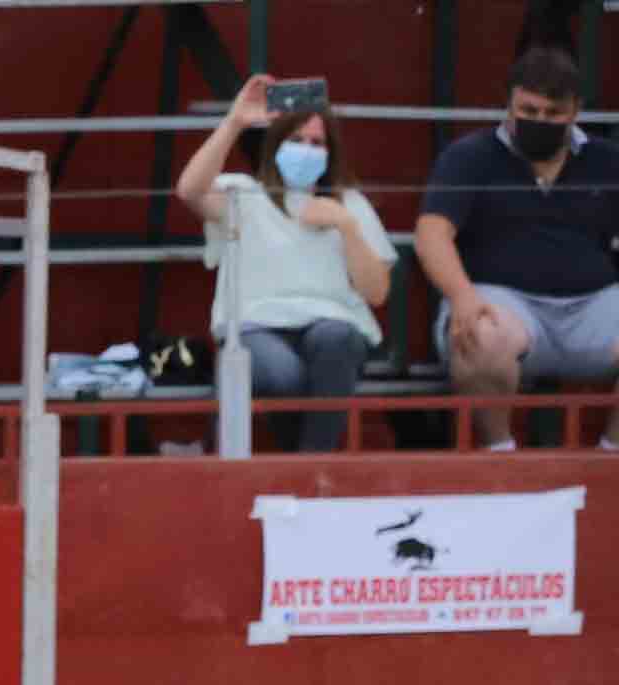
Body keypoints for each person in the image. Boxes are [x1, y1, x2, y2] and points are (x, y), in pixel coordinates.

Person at [416, 45, 619, 448]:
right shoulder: (468, 157)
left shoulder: (608, 161)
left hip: (595, 306)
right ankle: (501, 455)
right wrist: (462, 296)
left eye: (552, 113)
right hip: (504, 302)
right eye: (528, 111)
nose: (539, 121)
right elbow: (431, 234)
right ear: (508, 104)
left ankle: (613, 457)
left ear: (575, 110)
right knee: (481, 336)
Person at [178, 77, 391, 455]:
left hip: (330, 327)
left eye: (316, 143)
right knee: (283, 374)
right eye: (295, 141)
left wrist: (346, 225)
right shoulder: (244, 193)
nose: (306, 151)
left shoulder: (350, 203)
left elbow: (377, 292)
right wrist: (235, 122)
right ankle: (302, 464)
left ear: (331, 152)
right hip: (256, 327)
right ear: (274, 145)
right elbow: (190, 190)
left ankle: (312, 465)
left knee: (336, 338)